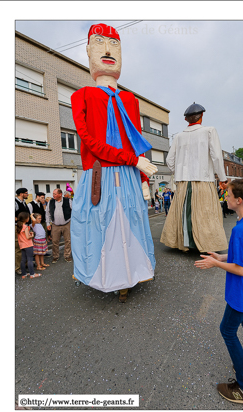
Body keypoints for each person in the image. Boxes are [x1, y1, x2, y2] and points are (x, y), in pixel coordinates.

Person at [70, 23, 158, 303]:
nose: (108, 49)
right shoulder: (80, 96)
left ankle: (132, 274)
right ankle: (104, 277)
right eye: (99, 42)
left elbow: (136, 139)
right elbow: (89, 142)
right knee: (100, 227)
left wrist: (143, 180)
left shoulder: (130, 99)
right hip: (101, 175)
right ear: (87, 51)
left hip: (130, 175)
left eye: (115, 43)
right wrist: (135, 162)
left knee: (131, 224)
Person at [195, 179, 243, 406]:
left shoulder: (239, 230)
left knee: (227, 331)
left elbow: (241, 269)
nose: (225, 198)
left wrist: (215, 264)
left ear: (238, 200)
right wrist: (222, 257)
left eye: (228, 196)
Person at [161, 102, 228, 253]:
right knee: (205, 213)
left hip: (183, 182)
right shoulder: (209, 131)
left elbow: (169, 161)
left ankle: (184, 243)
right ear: (202, 116)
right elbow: (217, 157)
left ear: (186, 120)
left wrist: (178, 172)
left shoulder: (178, 136)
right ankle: (206, 245)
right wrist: (222, 179)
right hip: (203, 180)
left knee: (183, 212)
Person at [46, 188, 72, 263]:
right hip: (55, 225)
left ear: (60, 194)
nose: (53, 195)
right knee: (55, 241)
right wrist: (48, 223)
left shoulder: (68, 201)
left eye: (55, 194)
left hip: (66, 224)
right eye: (53, 194)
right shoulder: (50, 202)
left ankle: (67, 256)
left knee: (68, 240)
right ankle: (55, 256)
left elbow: (74, 210)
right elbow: (47, 213)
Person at [17, 212, 41, 279]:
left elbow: (22, 236)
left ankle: (24, 274)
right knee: (30, 259)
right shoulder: (25, 227)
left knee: (23, 260)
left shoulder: (19, 226)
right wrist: (32, 235)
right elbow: (27, 237)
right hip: (28, 245)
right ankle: (32, 274)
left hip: (22, 245)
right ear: (26, 219)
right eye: (28, 217)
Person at [15, 188, 30, 275]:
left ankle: (25, 264)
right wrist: (20, 221)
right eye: (26, 193)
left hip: (24, 226)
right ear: (21, 194)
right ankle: (18, 268)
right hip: (17, 227)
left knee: (25, 245)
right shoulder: (15, 202)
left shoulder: (23, 202)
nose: (27, 194)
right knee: (18, 247)